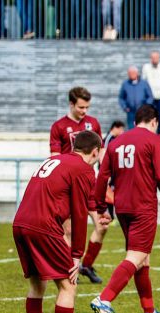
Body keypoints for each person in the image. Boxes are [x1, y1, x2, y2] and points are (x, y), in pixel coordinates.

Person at [13, 131, 103, 313]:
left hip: (20, 223)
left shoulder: (54, 160)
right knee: (68, 285)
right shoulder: (84, 169)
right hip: (43, 226)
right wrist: (76, 255)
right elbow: (80, 213)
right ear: (95, 152)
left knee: (37, 283)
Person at [90, 105, 160, 313]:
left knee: (143, 258)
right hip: (143, 207)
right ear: (154, 121)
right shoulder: (155, 140)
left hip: (122, 207)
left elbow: (102, 177)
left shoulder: (116, 142)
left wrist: (101, 208)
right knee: (136, 257)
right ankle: (104, 299)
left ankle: (149, 311)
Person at [49, 86, 108, 285]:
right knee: (68, 231)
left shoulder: (93, 123)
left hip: (91, 183)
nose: (84, 111)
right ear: (71, 104)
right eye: (81, 107)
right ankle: (70, 270)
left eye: (87, 107)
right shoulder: (58, 127)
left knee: (102, 225)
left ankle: (86, 266)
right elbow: (55, 158)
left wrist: (106, 176)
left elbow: (101, 152)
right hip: (70, 185)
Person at [141, 51, 160, 135]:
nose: (154, 59)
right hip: (150, 95)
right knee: (150, 114)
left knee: (159, 113)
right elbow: (144, 80)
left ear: (158, 58)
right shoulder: (146, 67)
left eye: (156, 57)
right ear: (151, 58)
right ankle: (150, 130)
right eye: (153, 58)